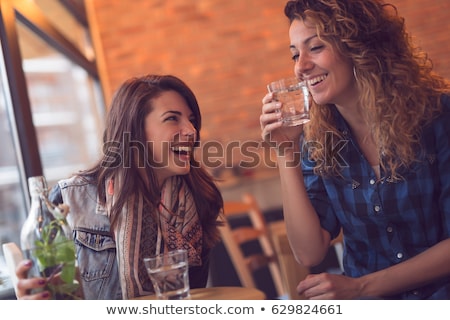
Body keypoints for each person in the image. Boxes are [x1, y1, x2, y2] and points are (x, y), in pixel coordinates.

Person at [260, 0, 450, 299]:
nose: (301, 66)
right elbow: (309, 253)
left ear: (359, 47)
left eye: (316, 47)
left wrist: (361, 286)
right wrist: (286, 151)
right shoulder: (319, 140)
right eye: (295, 54)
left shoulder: (438, 116)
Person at [15, 74, 224, 299]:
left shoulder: (195, 201)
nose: (191, 130)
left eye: (191, 120)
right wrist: (29, 300)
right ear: (135, 131)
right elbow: (50, 294)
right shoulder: (68, 202)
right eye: (173, 118)